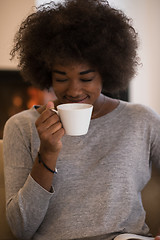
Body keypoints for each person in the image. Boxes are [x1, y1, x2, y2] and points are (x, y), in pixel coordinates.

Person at [3, 0, 160, 239]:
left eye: (86, 78)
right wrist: (47, 153)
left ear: (106, 72)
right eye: (62, 77)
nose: (74, 91)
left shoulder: (142, 120)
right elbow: (21, 229)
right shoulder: (22, 127)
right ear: (47, 74)